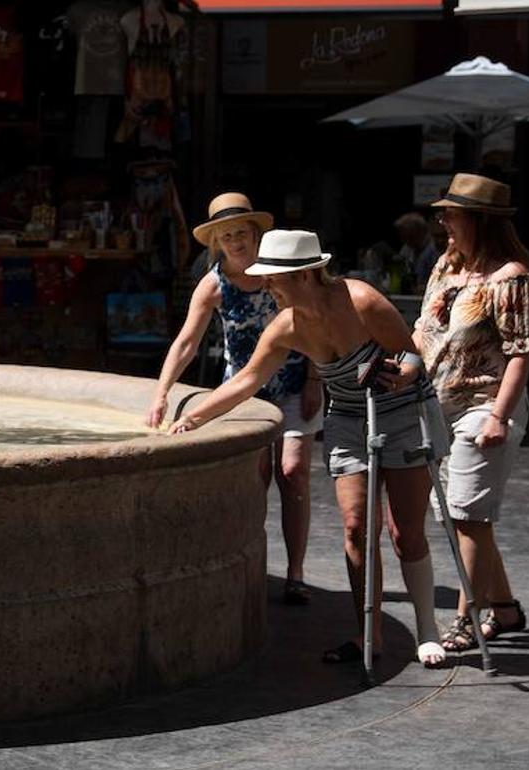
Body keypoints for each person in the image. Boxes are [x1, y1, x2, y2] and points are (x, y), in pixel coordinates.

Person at [168, 229, 448, 668]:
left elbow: (412, 356)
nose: (266, 287)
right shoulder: (286, 326)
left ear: (303, 276)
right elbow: (245, 380)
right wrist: (193, 417)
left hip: (401, 413)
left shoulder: (361, 300)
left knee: (403, 531)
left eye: (273, 280)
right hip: (349, 421)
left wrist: (400, 374)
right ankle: (367, 634)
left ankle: (427, 628)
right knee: (357, 527)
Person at [146, 193, 323, 606]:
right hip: (243, 390)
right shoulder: (214, 283)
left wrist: (316, 378)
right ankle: (249, 565)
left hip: (296, 381)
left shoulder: (278, 271)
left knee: (293, 472)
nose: (235, 242)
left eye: (241, 233)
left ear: (255, 232)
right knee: (252, 478)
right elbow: (187, 341)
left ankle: (296, 573)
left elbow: (313, 320)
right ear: (217, 243)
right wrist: (162, 392)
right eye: (226, 237)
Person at [419, 174, 529, 652]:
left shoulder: (510, 277)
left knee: (467, 513)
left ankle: (467, 619)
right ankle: (505, 609)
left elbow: (521, 351)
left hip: (484, 405)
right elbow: (424, 330)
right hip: (436, 404)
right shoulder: (447, 267)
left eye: (451, 213)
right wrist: (399, 367)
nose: (442, 220)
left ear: (479, 220)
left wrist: (499, 417)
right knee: (461, 517)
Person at [394, 212, 438, 293]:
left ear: (416, 232)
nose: (403, 239)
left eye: (405, 235)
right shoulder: (407, 248)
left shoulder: (434, 249)